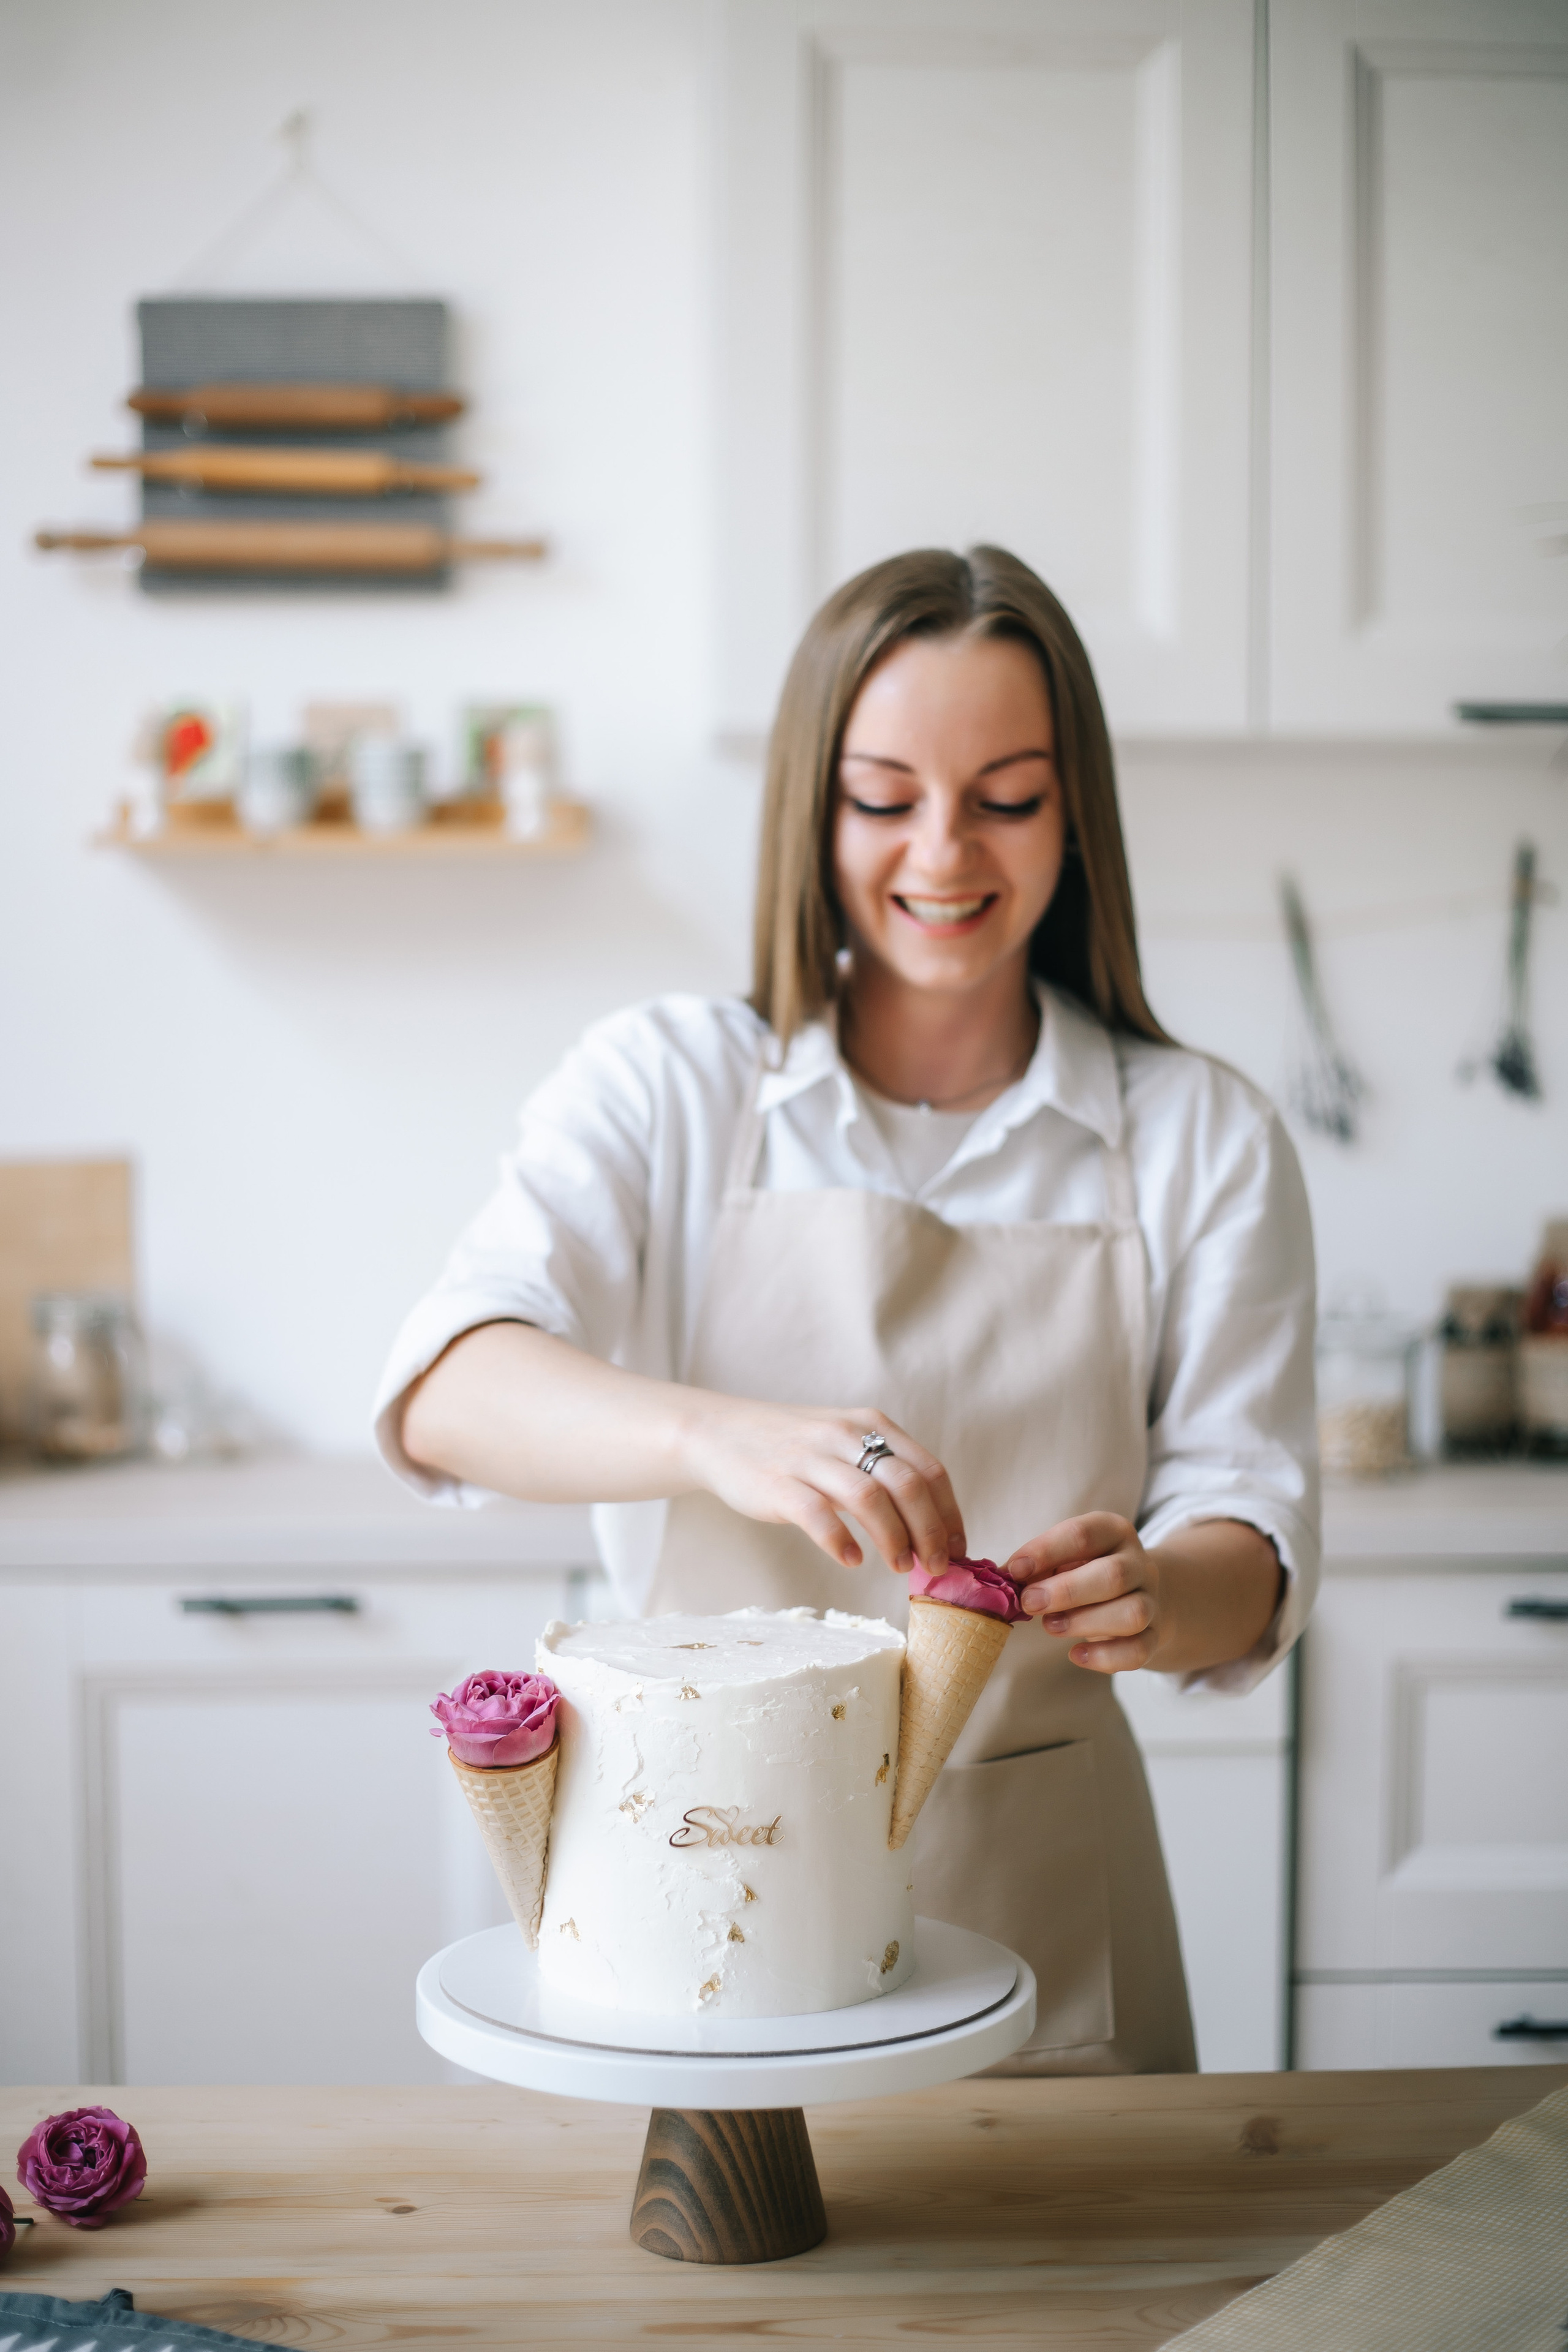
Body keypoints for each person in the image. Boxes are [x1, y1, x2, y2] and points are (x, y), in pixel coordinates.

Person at [375, 546, 1318, 2073]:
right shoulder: (673, 1083)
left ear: (1074, 811)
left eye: (1004, 794)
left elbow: (1253, 1536)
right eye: (883, 797)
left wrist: (1157, 1590)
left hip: (1042, 1891)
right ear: (810, 812)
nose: (941, 851)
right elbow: (444, 1385)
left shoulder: (1200, 1133)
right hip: (695, 1873)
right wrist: (715, 1436)